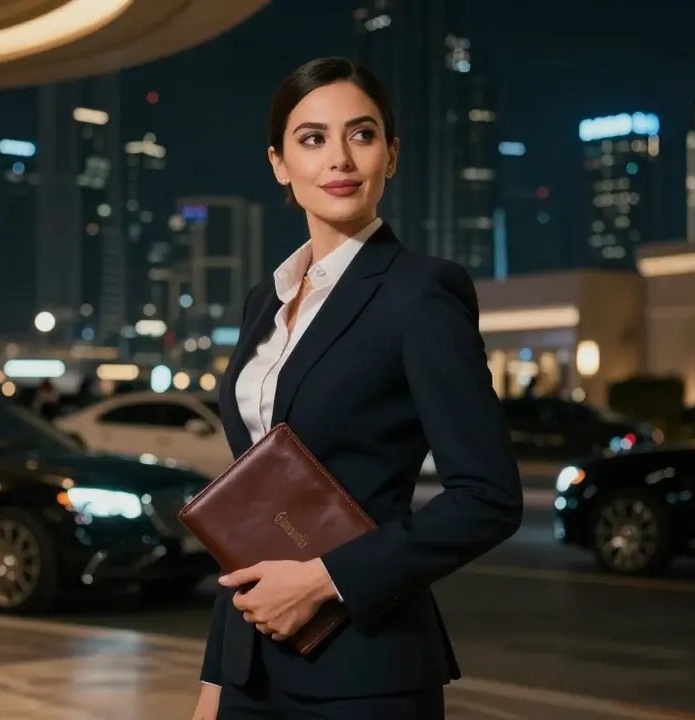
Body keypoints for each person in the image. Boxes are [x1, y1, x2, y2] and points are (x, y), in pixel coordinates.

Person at [191, 57, 523, 720]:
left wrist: (323, 581)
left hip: (364, 673)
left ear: (391, 155)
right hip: (250, 669)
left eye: (362, 135)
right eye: (312, 139)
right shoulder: (267, 298)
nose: (338, 158)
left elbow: (487, 498)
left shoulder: (422, 292)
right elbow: (253, 508)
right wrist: (216, 682)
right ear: (279, 164)